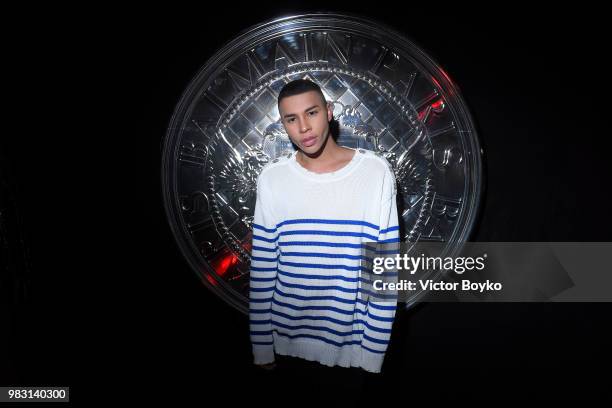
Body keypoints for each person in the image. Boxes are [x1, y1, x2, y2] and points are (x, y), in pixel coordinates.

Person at [248, 78, 400, 378]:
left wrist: (372, 353)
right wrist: (261, 345)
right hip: (284, 348)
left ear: (329, 111)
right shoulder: (272, 177)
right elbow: (264, 267)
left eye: (312, 113)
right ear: (283, 124)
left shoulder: (375, 172)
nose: (303, 127)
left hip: (352, 353)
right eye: (292, 119)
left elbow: (384, 272)